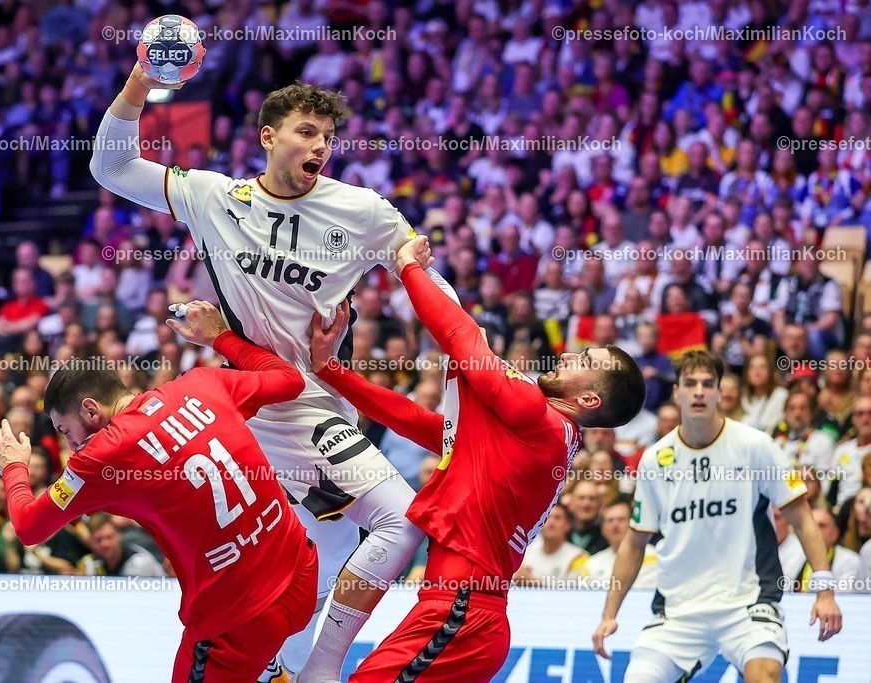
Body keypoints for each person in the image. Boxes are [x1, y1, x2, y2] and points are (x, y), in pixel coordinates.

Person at [91, 65, 450, 680]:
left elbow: (426, 281)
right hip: (249, 413)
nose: (319, 147)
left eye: (328, 139)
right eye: (306, 132)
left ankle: (304, 670)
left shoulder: (361, 209)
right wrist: (139, 84)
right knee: (340, 547)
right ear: (266, 136)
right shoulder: (215, 197)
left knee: (338, 555)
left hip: (315, 407)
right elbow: (113, 168)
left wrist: (475, 365)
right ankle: (312, 671)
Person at [308, 237, 645, 681]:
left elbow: (462, 338)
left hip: (459, 610)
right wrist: (333, 372)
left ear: (587, 397)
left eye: (582, 359)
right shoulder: (543, 432)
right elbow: (428, 426)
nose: (565, 354)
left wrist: (406, 266)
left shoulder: (536, 417)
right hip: (465, 613)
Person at [0, 300, 317, 683]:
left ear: (91, 410)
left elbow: (28, 527)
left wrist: (13, 467)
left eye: (65, 431)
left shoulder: (100, 457)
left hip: (238, 621)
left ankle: (265, 666)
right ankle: (269, 670)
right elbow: (290, 379)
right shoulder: (200, 383)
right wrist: (220, 337)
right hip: (303, 576)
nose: (71, 445)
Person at [593, 350, 843, 683]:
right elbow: (633, 544)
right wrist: (609, 614)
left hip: (748, 603)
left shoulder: (755, 446)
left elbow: (802, 518)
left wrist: (824, 590)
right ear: (677, 392)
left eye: (708, 384)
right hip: (678, 611)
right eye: (690, 383)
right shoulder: (655, 461)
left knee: (764, 677)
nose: (699, 391)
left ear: (719, 391)